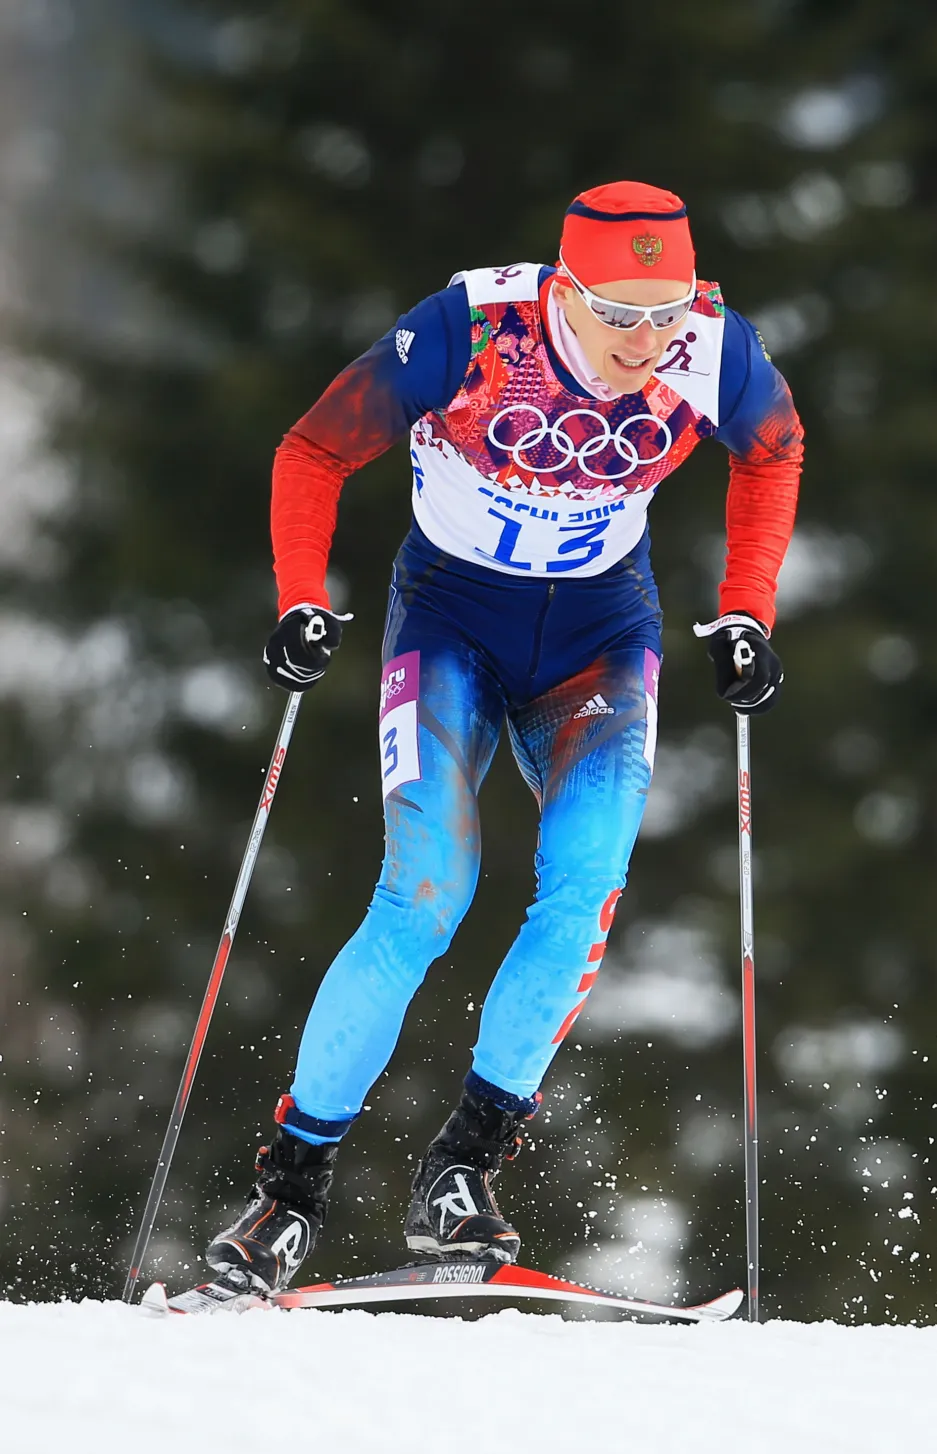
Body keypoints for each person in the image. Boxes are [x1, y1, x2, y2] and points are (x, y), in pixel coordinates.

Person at [207, 181, 803, 1293]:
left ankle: (463, 1166)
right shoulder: (470, 331)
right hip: (450, 623)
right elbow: (313, 449)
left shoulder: (714, 349)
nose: (644, 340)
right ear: (564, 291)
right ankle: (289, 1192)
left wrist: (745, 609)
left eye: (664, 310)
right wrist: (297, 595)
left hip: (599, 635)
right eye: (617, 314)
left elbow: (773, 451)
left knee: (584, 883)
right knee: (424, 890)